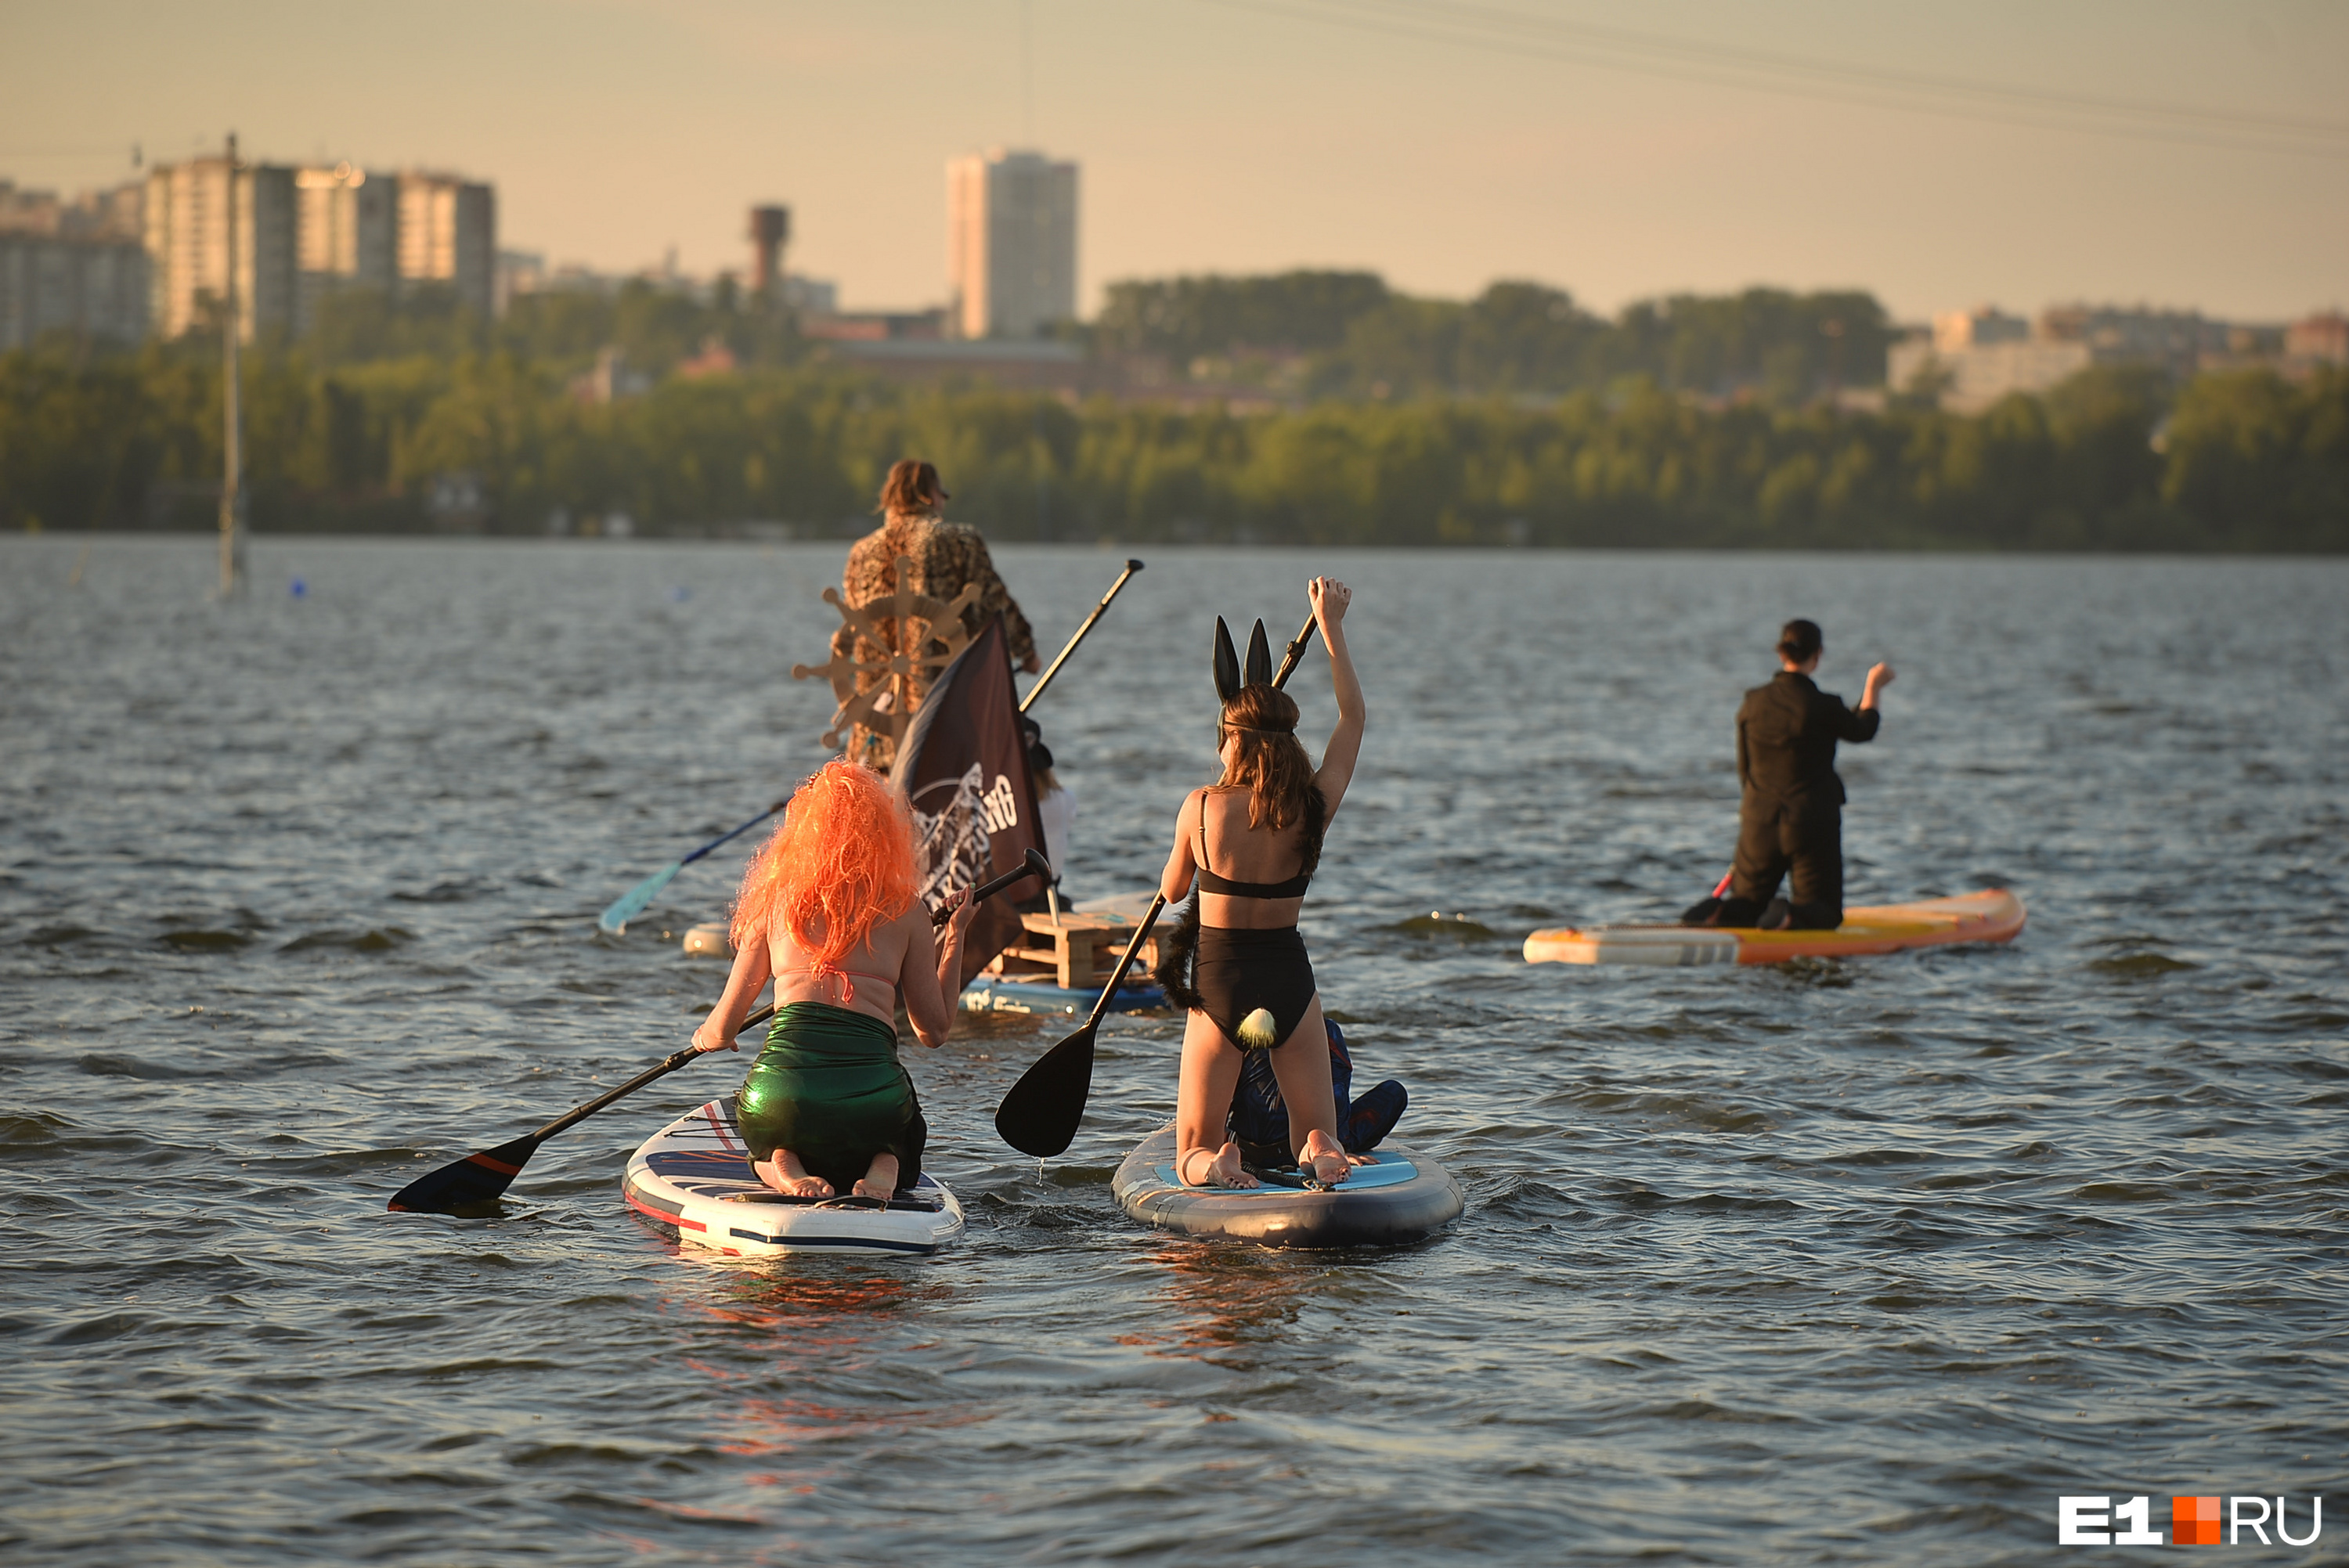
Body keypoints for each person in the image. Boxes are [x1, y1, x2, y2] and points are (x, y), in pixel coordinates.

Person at [1153, 577, 1365, 1190]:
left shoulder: (1199, 806)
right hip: (1289, 981)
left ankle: (1216, 1160)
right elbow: (1353, 720)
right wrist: (1333, 629)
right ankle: (1321, 1147)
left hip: (1220, 982)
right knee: (1310, 1127)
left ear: (1230, 741)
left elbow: (1171, 892)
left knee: (1189, 1146)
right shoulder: (1313, 805)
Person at [691, 759, 979, 1199]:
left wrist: (706, 1037)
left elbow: (722, 1027)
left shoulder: (773, 904)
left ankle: (780, 1161)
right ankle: (885, 1165)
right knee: (901, 1131)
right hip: (874, 1101)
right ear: (884, 833)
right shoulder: (908, 909)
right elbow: (933, 1031)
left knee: (764, 1127)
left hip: (781, 1097)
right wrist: (955, 936)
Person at [835, 460, 1039, 773]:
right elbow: (994, 603)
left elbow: (853, 629)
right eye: (943, 494)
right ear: (930, 495)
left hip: (877, 725)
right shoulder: (958, 540)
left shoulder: (860, 552)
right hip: (941, 719)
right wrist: (1026, 651)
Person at [1693, 618, 1893, 932]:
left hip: (1758, 820)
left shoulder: (1753, 702)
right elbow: (1862, 728)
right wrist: (1874, 686)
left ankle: (1721, 914)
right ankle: (1788, 915)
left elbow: (1744, 767)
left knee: (1746, 905)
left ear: (1781, 653)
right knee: (1824, 912)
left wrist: (1756, 810)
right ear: (1818, 654)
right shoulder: (1823, 706)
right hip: (1810, 824)